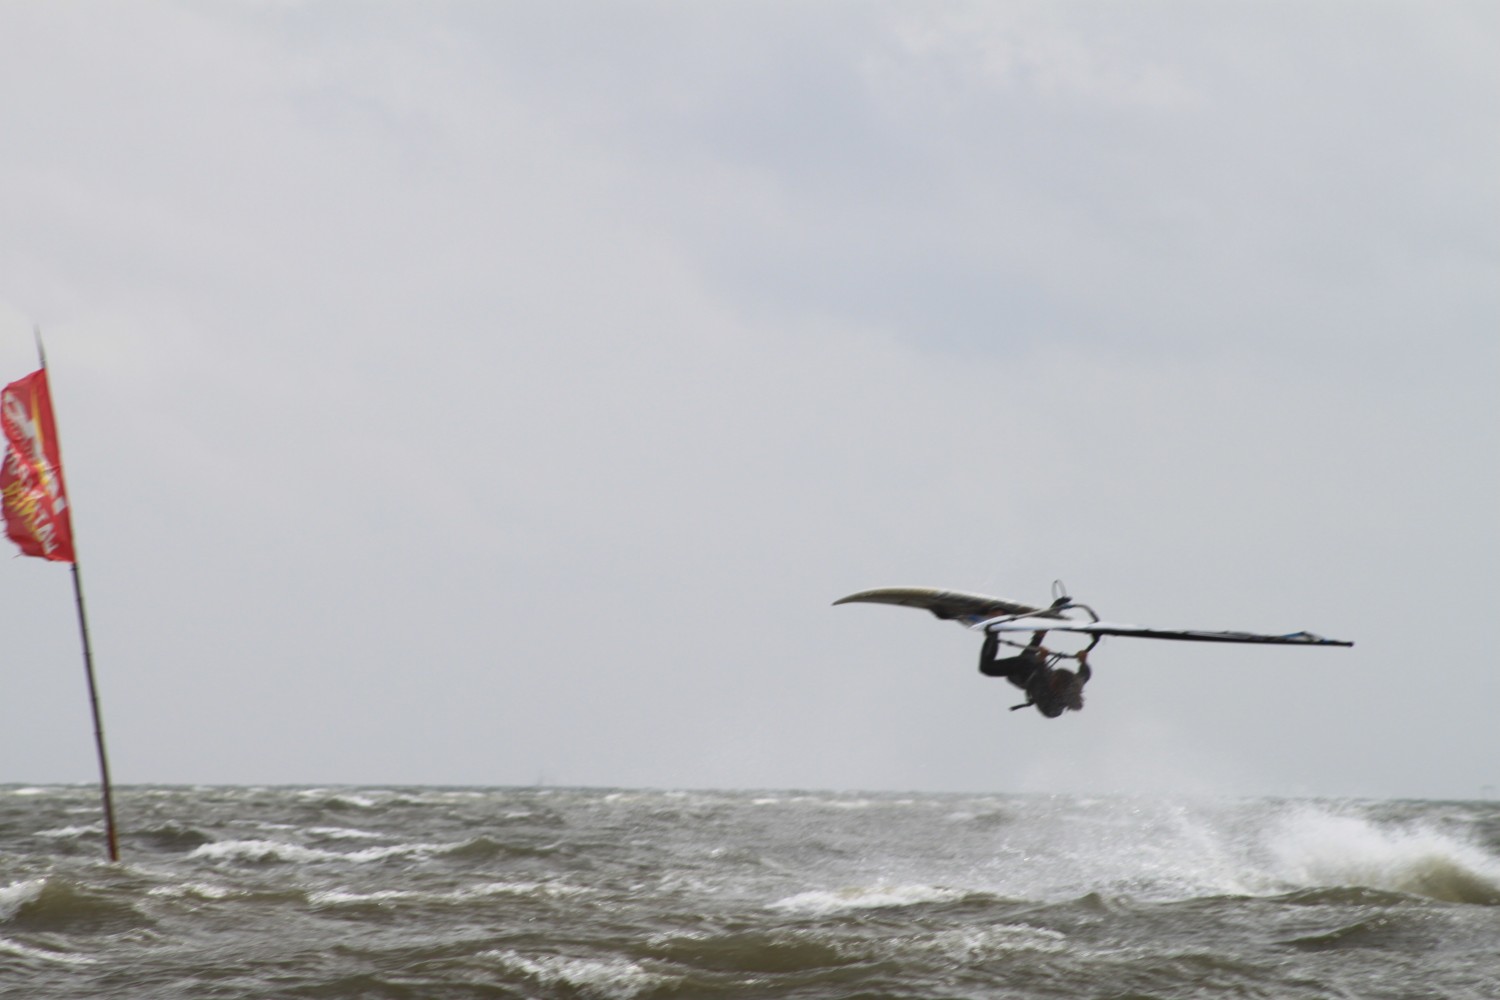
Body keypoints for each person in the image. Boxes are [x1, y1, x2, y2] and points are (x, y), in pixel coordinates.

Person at [977, 629, 1090, 718]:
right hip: (1026, 669)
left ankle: (1039, 635)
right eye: (1054, 675)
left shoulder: (1051, 707)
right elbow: (1086, 673)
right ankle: (994, 633)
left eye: (1054, 679)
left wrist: (1041, 660)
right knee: (986, 667)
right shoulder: (1075, 683)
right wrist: (1083, 661)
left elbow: (1041, 681)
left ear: (1057, 687)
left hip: (1027, 673)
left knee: (1026, 661)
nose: (1052, 677)